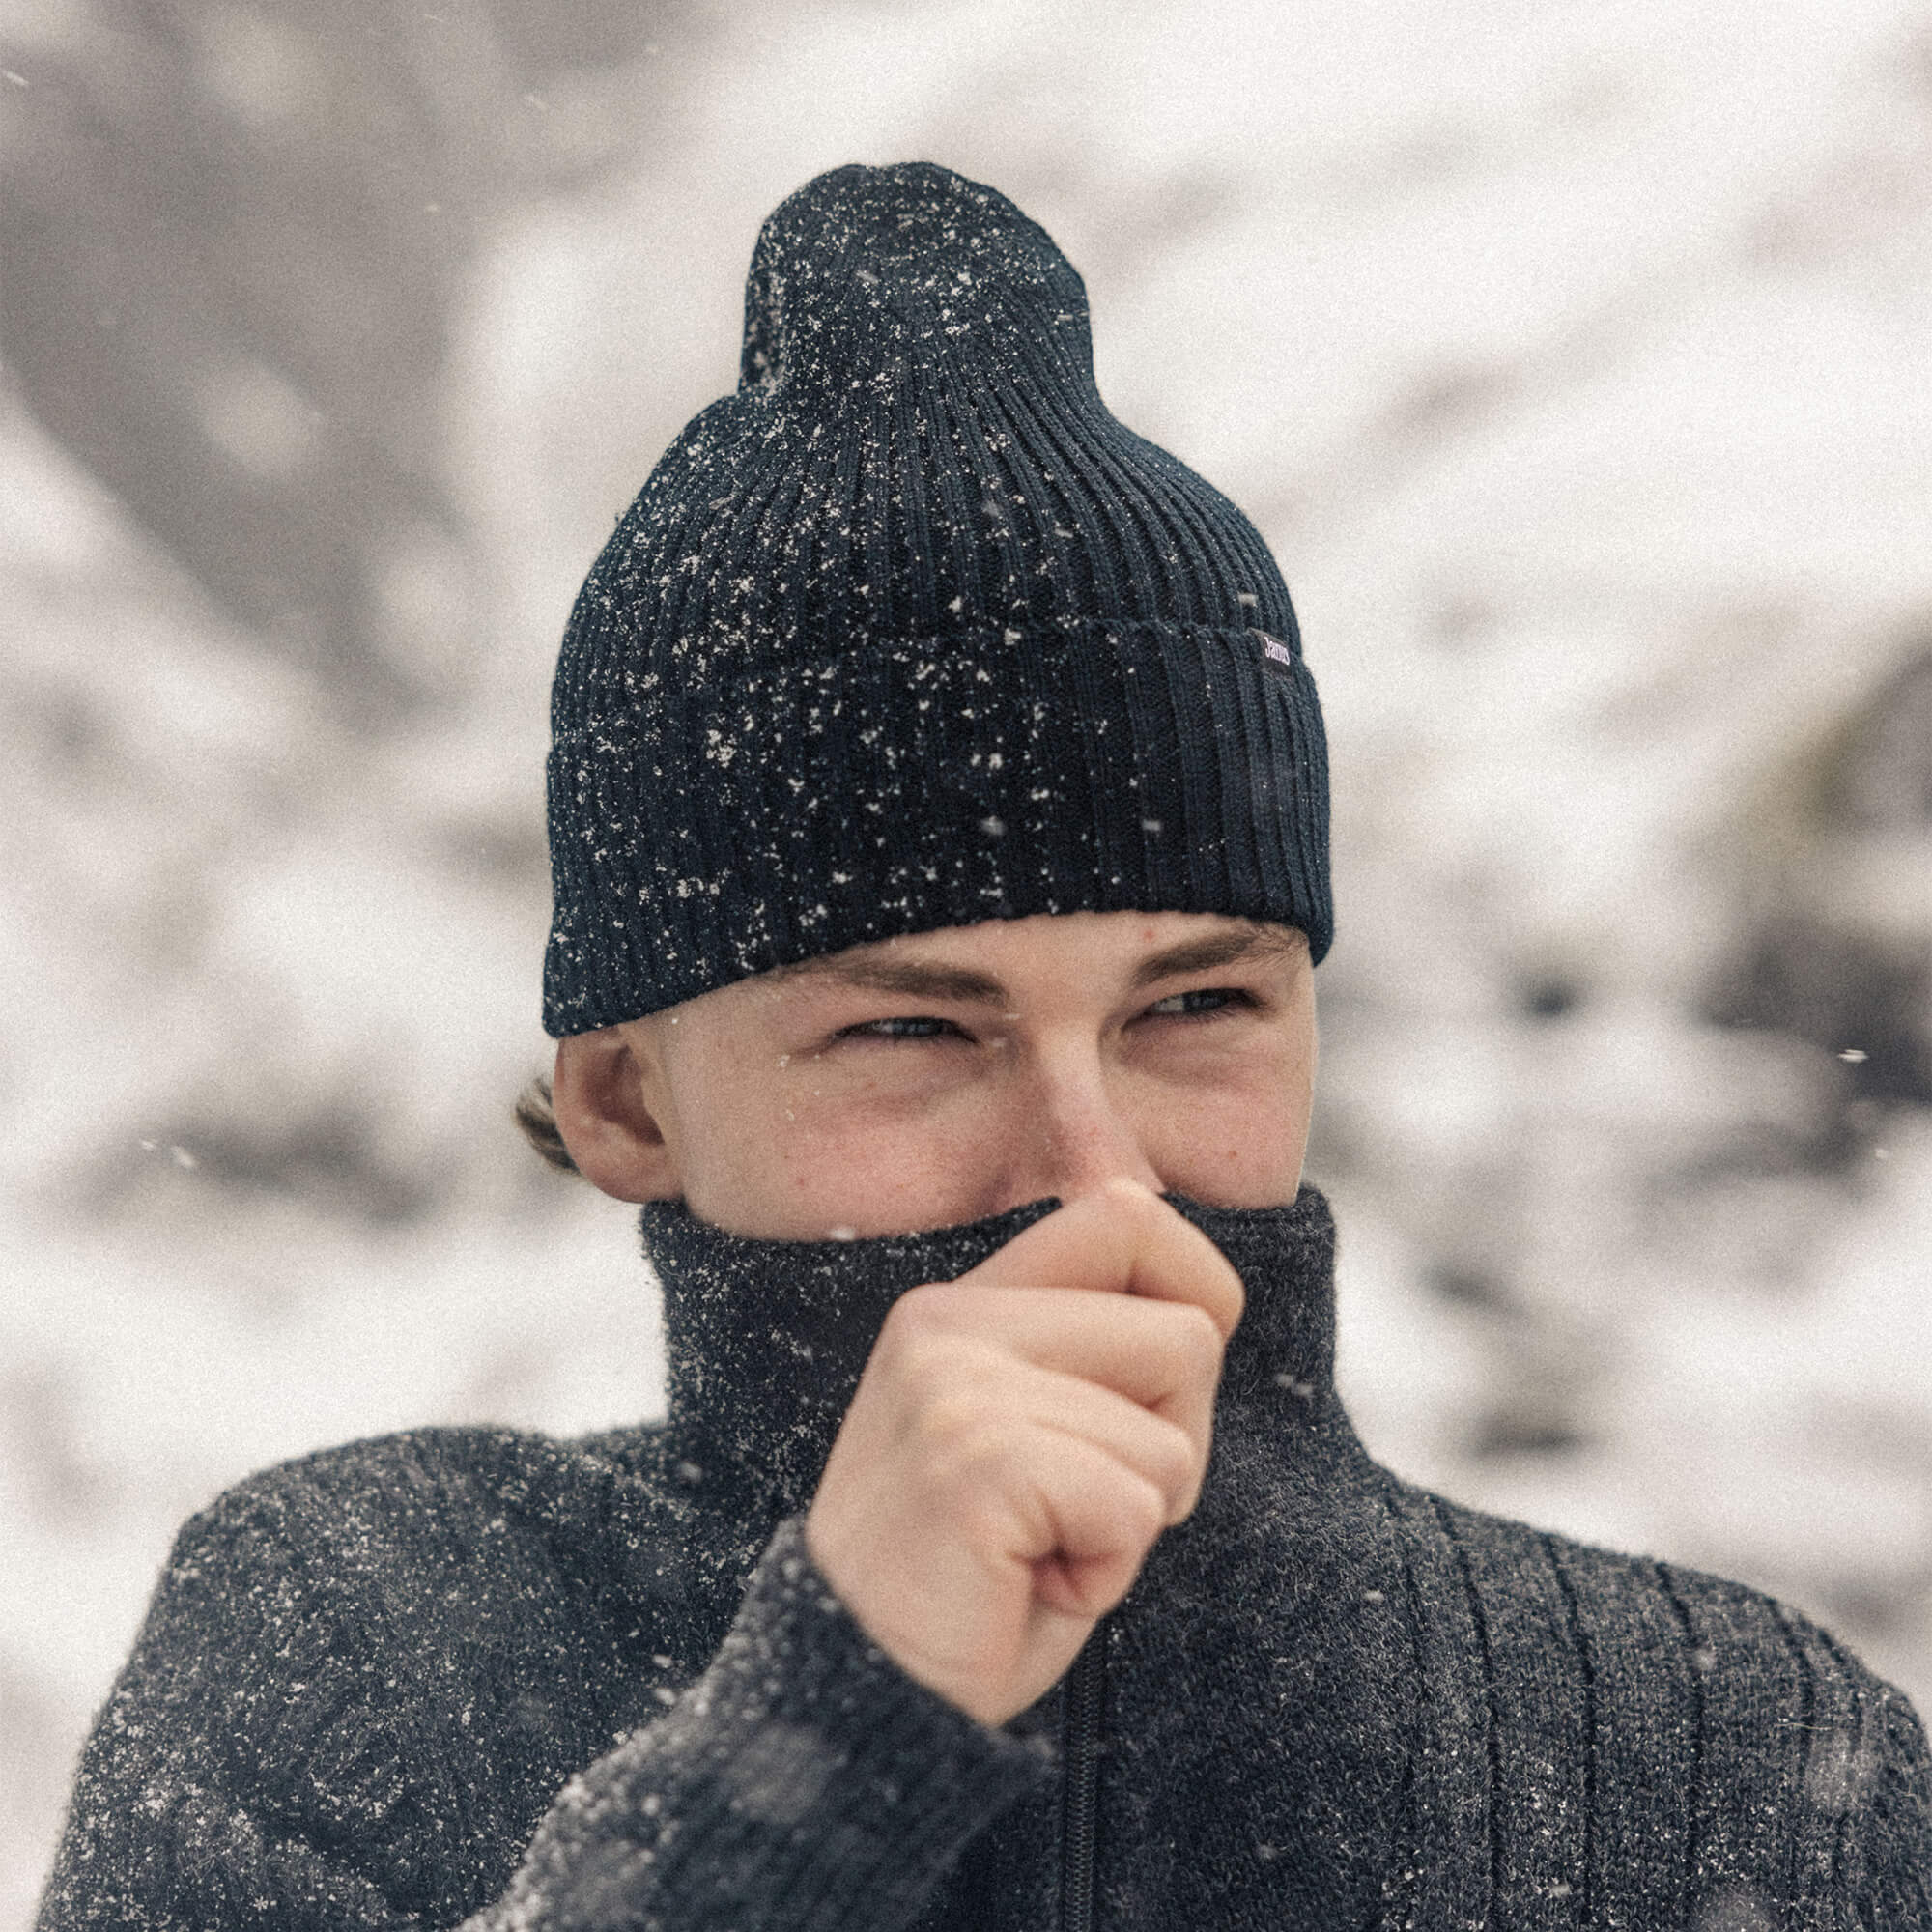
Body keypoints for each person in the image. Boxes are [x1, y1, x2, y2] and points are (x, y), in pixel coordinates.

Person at [35, 162, 1930, 1932]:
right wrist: (823, 1740)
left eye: (1197, 1004)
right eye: (909, 1030)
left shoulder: (1731, 1760)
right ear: (625, 1098)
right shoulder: (356, 1639)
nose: (1096, 1167)